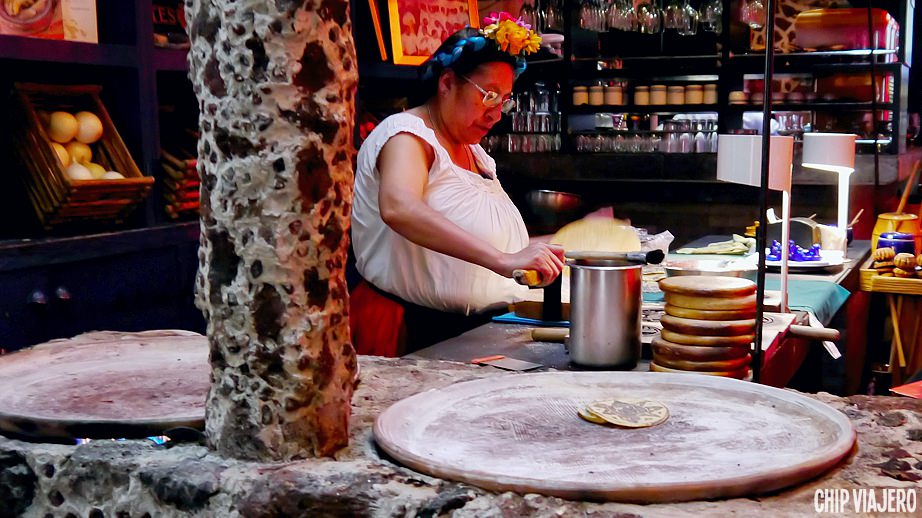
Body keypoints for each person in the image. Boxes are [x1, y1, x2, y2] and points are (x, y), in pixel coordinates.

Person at [351, 13, 564, 356]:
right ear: (447, 83)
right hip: (414, 332)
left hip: (474, 334)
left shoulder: (474, 152)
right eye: (489, 95)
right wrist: (501, 260)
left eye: (505, 100)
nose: (496, 113)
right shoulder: (405, 134)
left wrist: (553, 245)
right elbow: (399, 207)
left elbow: (478, 235)